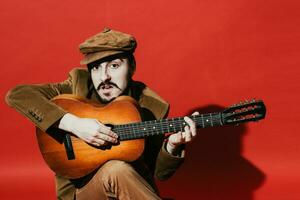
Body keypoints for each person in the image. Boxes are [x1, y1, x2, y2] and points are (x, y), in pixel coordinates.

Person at [5, 28, 198, 200]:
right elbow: (18, 95)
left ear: (131, 67)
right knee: (115, 169)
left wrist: (172, 146)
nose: (104, 77)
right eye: (96, 67)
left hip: (130, 191)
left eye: (114, 65)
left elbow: (159, 174)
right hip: (82, 193)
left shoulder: (151, 105)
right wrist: (75, 125)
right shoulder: (77, 87)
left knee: (119, 170)